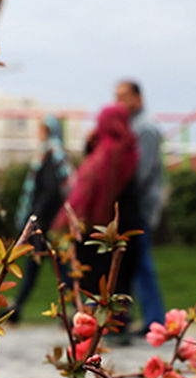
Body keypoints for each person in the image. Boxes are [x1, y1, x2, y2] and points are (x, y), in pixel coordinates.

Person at [51, 103, 140, 331]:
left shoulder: (107, 150)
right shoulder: (129, 147)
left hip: (96, 223)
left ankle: (94, 324)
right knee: (119, 277)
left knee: (95, 276)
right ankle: (119, 322)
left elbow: (90, 187)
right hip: (125, 219)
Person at [114, 80, 166, 331]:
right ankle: (147, 318)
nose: (119, 101)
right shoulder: (131, 125)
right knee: (135, 263)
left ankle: (155, 321)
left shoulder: (145, 129)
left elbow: (140, 172)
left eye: (124, 96)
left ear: (138, 97)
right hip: (133, 205)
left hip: (140, 206)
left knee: (141, 262)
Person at [9, 115, 69, 323]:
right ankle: (17, 308)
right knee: (52, 268)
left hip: (46, 224)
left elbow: (50, 190)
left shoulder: (50, 155)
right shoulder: (53, 155)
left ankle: (17, 309)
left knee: (55, 268)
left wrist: (36, 216)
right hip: (50, 222)